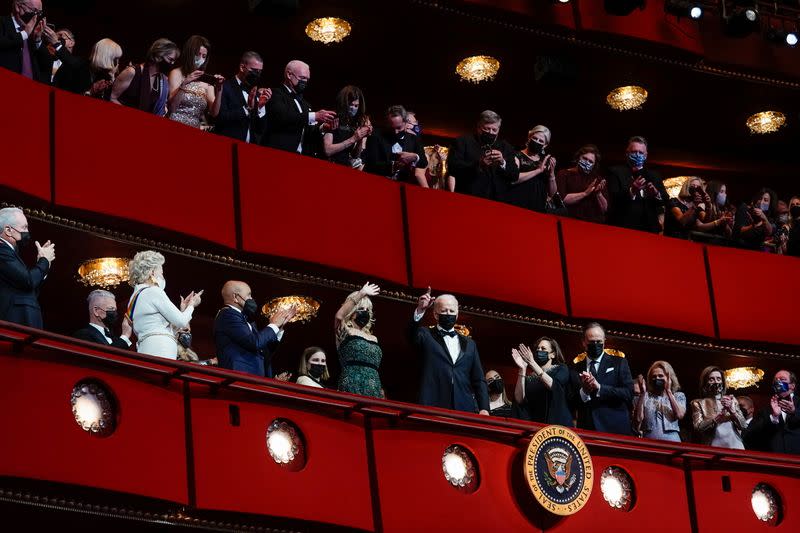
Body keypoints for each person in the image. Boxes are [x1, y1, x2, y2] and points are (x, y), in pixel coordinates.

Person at [409, 287, 489, 415]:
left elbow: (478, 379)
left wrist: (484, 408)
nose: (448, 314)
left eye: (451, 311)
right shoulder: (425, 335)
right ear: (435, 314)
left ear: (457, 315)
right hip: (433, 405)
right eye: (444, 311)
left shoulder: (470, 344)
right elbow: (410, 335)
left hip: (464, 408)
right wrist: (420, 310)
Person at [126, 250, 201, 359]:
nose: (162, 276)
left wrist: (183, 310)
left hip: (146, 347)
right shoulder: (153, 291)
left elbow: (159, 325)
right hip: (160, 347)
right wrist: (192, 305)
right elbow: (181, 321)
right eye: (161, 272)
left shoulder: (135, 296)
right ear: (152, 272)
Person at [214, 280, 295, 377]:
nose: (251, 299)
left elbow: (263, 351)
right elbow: (254, 342)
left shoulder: (247, 320)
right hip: (238, 377)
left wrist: (279, 327)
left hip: (254, 378)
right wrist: (273, 325)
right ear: (235, 297)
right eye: (248, 295)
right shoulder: (227, 315)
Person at [261, 59, 336, 156]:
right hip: (278, 153)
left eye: (307, 79)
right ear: (289, 75)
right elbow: (284, 117)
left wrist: (323, 128)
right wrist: (314, 116)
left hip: (301, 157)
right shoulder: (275, 94)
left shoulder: (306, 104)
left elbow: (307, 131)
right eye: (302, 77)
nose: (305, 82)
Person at [573, 322, 633, 435]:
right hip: (586, 430)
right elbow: (571, 400)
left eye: (599, 342)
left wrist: (600, 387)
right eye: (591, 342)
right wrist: (584, 392)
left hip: (614, 430)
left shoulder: (619, 362)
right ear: (584, 343)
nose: (595, 345)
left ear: (604, 341)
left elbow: (628, 393)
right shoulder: (575, 368)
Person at [0, 207, 54, 328]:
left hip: (24, 321)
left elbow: (30, 290)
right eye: (24, 227)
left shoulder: (11, 253)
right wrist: (44, 261)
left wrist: (43, 264)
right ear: (8, 230)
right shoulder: (2, 250)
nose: (27, 231)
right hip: (14, 322)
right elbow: (28, 280)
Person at [448, 110, 519, 200]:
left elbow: (515, 176)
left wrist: (502, 162)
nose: (490, 132)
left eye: (494, 130)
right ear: (478, 127)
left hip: (497, 202)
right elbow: (452, 168)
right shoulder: (462, 142)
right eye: (486, 128)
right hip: (468, 198)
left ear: (499, 130)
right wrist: (479, 165)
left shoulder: (506, 147)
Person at [607, 136, 668, 234]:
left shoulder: (655, 175)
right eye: (634, 152)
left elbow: (665, 199)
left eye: (641, 152)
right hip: (624, 227)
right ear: (627, 153)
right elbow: (613, 199)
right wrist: (632, 190)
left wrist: (657, 194)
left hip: (650, 229)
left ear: (646, 155)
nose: (637, 155)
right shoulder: (615, 172)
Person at [335, 282, 383, 398]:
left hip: (373, 385)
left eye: (368, 309)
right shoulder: (345, 330)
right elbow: (339, 316)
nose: (365, 312)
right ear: (352, 311)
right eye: (361, 308)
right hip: (352, 383)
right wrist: (361, 294)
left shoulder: (373, 337)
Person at [512, 339, 573, 426]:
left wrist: (532, 363)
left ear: (553, 354)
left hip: (556, 426)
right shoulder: (530, 376)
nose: (539, 350)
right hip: (535, 425)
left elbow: (553, 385)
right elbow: (519, 399)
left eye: (543, 349)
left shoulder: (561, 369)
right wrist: (522, 369)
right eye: (538, 348)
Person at [167, 35, 224, 129]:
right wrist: (185, 83)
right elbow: (172, 107)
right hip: (174, 125)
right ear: (190, 53)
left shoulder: (206, 82)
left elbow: (214, 113)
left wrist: (219, 89)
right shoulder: (176, 73)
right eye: (198, 54)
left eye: (204, 56)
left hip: (194, 129)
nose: (200, 59)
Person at [111, 38, 179, 116]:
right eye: (170, 59)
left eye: (174, 61)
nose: (172, 64)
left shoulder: (162, 80)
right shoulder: (132, 72)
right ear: (158, 55)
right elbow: (112, 98)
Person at [214, 51, 270, 143]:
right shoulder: (225, 87)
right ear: (242, 67)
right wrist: (246, 109)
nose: (257, 74)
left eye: (260, 72)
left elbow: (261, 129)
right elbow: (220, 118)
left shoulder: (255, 92)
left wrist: (261, 107)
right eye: (254, 70)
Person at [363, 105, 428, 184]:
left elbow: (424, 163)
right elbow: (370, 164)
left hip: (400, 186)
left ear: (406, 123)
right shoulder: (375, 136)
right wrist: (393, 166)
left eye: (399, 128)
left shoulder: (414, 139)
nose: (395, 132)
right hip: (375, 183)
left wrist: (415, 157)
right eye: (392, 128)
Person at [503, 125, 557, 213]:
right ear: (529, 137)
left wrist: (552, 173)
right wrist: (538, 171)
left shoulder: (545, 161)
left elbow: (552, 193)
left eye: (541, 141)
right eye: (535, 138)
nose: (537, 142)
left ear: (545, 145)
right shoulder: (516, 155)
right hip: (517, 203)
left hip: (537, 207)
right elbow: (513, 179)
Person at [743, 370, 800, 454]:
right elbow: (748, 435)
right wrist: (773, 417)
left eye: (782, 379)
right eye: (776, 380)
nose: (778, 382)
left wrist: (794, 412)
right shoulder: (765, 410)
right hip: (773, 459)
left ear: (792, 386)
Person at [690, 366, 746, 449]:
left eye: (719, 379)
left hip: (735, 444)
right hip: (714, 445)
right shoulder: (698, 403)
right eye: (711, 379)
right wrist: (717, 417)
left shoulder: (732, 400)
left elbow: (743, 425)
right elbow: (698, 427)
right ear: (705, 382)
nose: (716, 382)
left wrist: (733, 412)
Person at [633, 361, 686, 442]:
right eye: (654, 377)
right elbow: (638, 420)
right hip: (649, 441)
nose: (657, 379)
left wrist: (668, 391)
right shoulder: (645, 396)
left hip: (672, 441)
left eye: (660, 376)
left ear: (669, 377)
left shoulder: (678, 395)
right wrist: (643, 394)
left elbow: (679, 415)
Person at [0, 0, 52, 81]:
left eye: (39, 13)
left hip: (31, 87)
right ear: (18, 7)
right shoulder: (2, 23)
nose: (36, 16)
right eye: (34, 11)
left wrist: (38, 40)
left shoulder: (34, 32)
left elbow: (47, 64)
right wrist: (24, 34)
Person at [55, 38, 122, 100]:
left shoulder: (104, 76)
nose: (117, 63)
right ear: (105, 57)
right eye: (115, 59)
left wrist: (112, 79)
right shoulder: (76, 66)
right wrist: (90, 92)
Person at [557, 144, 609, 224]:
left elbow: (604, 209)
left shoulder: (598, 180)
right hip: (569, 220)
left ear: (594, 165)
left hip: (593, 223)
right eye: (585, 158)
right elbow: (562, 200)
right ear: (578, 157)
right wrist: (585, 193)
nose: (587, 162)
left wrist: (598, 194)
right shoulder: (564, 174)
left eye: (590, 161)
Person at [323, 85, 372, 169]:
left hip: (345, 166)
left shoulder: (354, 122)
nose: (353, 108)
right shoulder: (334, 118)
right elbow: (328, 150)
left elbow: (355, 155)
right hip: (329, 164)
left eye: (356, 106)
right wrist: (353, 139)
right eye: (351, 105)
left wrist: (360, 138)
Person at [664, 177, 729, 239]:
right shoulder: (674, 201)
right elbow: (682, 222)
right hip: (672, 238)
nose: (695, 189)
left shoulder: (697, 205)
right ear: (686, 187)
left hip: (687, 241)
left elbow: (705, 221)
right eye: (693, 186)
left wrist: (708, 205)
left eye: (698, 187)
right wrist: (694, 206)